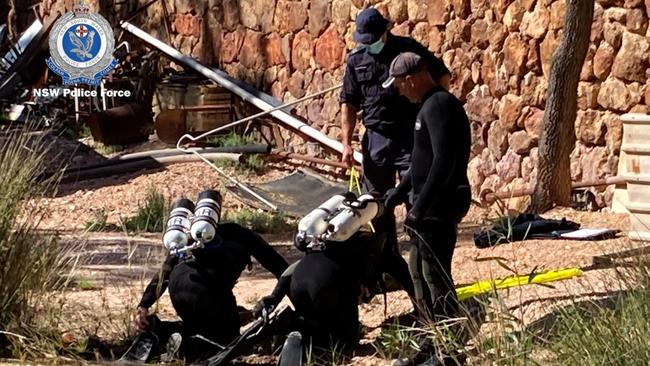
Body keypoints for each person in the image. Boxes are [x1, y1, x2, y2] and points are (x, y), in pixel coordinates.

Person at [339, 7, 452, 303]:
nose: (369, 43)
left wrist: (430, 111)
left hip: (408, 135)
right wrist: (346, 143)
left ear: (385, 31)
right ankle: (388, 266)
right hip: (375, 139)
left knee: (417, 195)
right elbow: (348, 103)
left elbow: (442, 76)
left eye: (372, 38)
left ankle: (423, 257)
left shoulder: (407, 50)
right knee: (377, 205)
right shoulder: (356, 60)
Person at [382, 52, 471, 323]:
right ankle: (427, 322)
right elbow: (422, 161)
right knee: (417, 268)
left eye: (398, 84)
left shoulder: (440, 106)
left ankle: (448, 328)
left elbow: (444, 161)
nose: (397, 90)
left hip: (439, 206)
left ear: (410, 80)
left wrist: (419, 209)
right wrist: (400, 190)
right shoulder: (428, 106)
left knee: (434, 271)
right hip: (426, 206)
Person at [133, 220, 289, 362]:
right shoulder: (242, 234)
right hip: (210, 288)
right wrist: (275, 299)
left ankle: (161, 330)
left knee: (202, 324)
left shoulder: (191, 236)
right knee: (230, 344)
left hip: (178, 288)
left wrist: (144, 305)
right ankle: (187, 348)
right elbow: (282, 269)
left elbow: (164, 273)